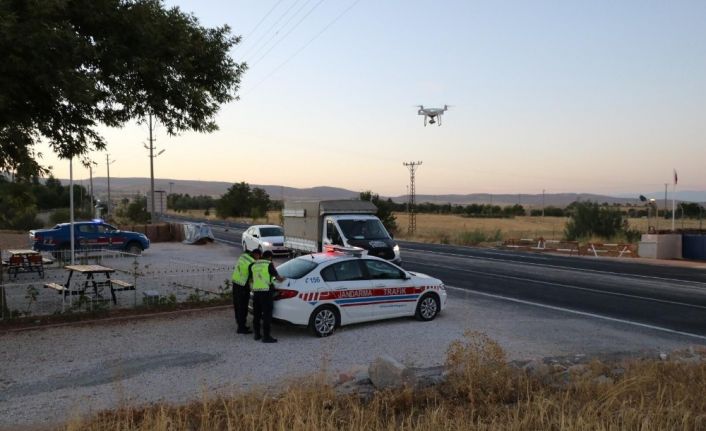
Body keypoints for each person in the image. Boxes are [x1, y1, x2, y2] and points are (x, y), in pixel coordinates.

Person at [250, 250, 285, 343]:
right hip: (266, 292)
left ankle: (257, 335)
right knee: (267, 315)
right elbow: (278, 278)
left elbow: (252, 278)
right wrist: (283, 278)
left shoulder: (254, 264)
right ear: (269, 257)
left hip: (256, 292)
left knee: (257, 314)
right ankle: (266, 337)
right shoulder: (269, 264)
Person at [230, 248, 261, 334]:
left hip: (235, 283)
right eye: (259, 257)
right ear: (257, 255)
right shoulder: (252, 263)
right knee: (243, 307)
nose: (258, 259)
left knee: (237, 305)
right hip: (243, 286)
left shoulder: (243, 256)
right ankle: (241, 328)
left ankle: (240, 324)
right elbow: (253, 278)